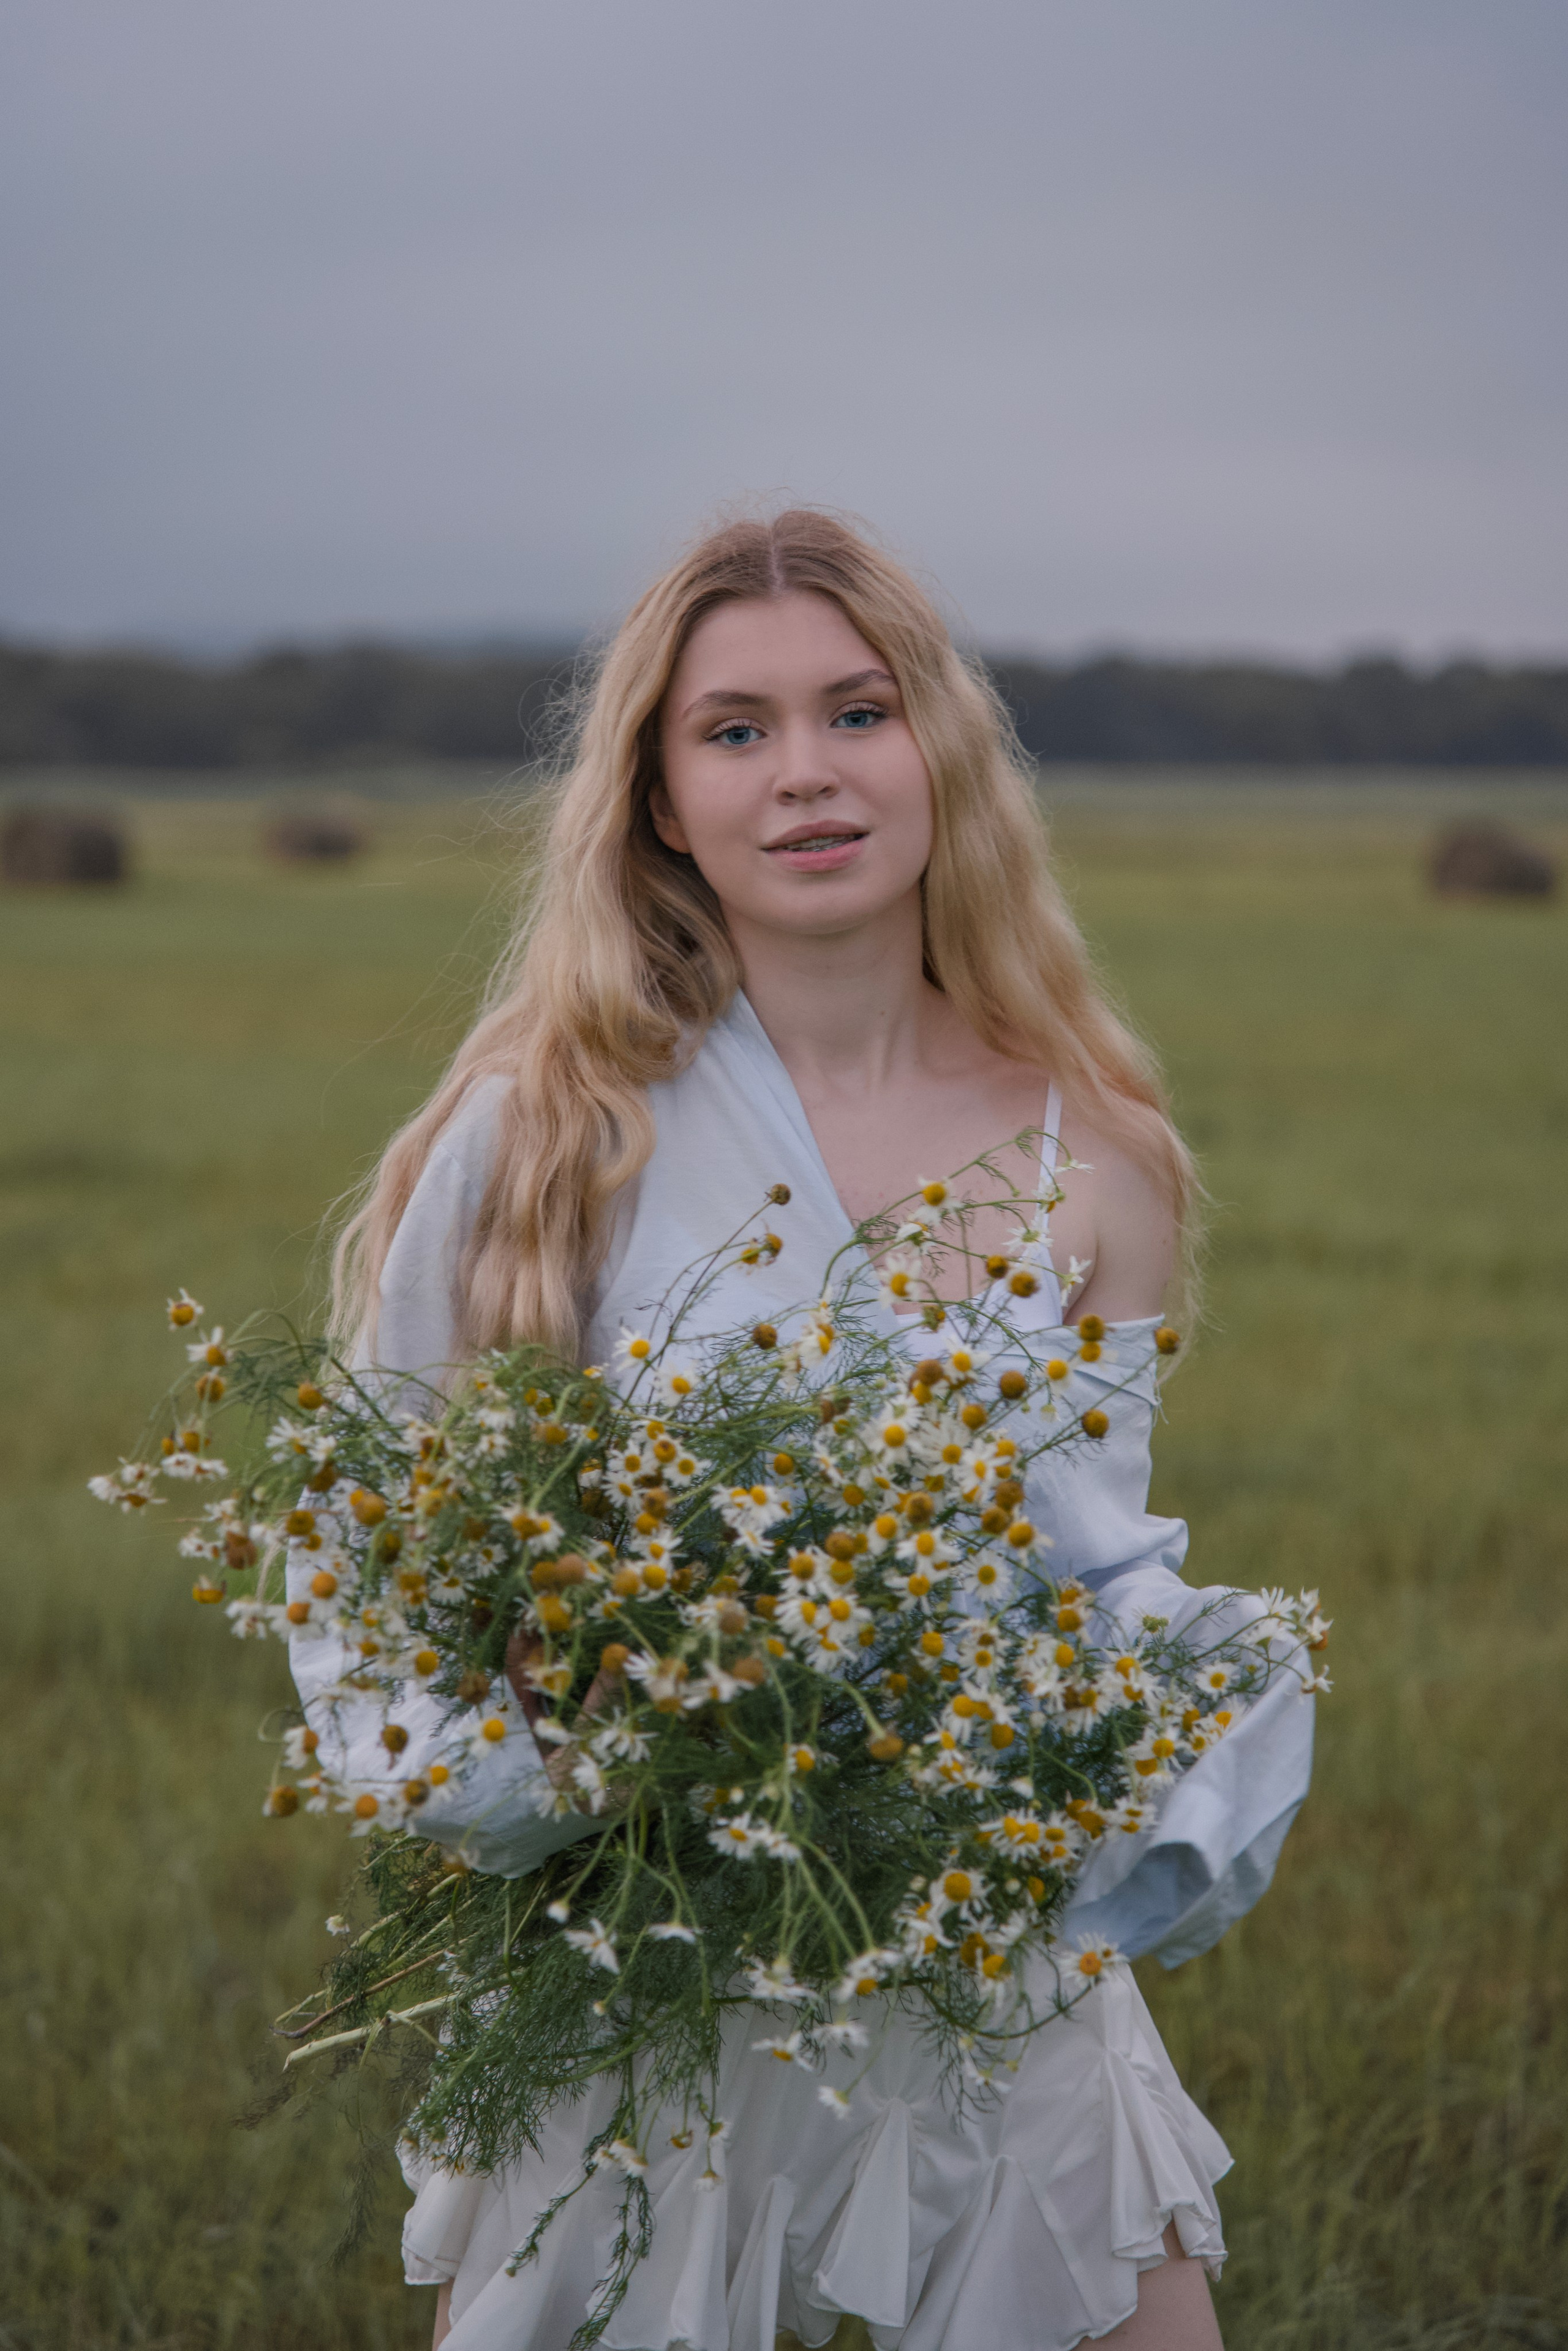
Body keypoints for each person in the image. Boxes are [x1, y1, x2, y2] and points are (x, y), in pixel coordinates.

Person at [293, 510, 1314, 2351]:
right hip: (636, 1960)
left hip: (977, 1944)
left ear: (941, 750)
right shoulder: (546, 1132)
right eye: (736, 730)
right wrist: (538, 1772)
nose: (808, 775)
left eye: (858, 710)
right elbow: (373, 1541)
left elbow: (1090, 1580)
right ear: (664, 801)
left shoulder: (1107, 1162)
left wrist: (1175, 1716)